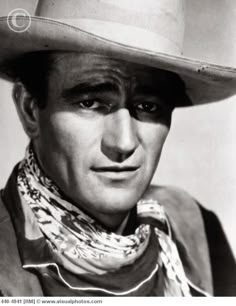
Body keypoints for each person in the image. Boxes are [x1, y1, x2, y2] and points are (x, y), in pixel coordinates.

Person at [0, 0, 235, 297]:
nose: (123, 143)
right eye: (90, 103)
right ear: (30, 110)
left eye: (148, 106)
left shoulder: (196, 230)